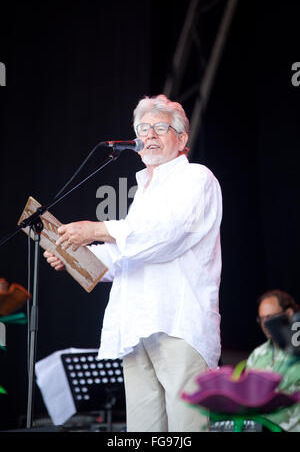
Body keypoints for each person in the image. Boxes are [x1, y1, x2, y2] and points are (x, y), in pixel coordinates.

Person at [44, 94, 223, 432]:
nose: (149, 135)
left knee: (186, 430)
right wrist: (72, 255)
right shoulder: (143, 192)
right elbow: (126, 258)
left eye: (160, 127)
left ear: (182, 139)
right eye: (143, 128)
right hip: (136, 330)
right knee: (141, 431)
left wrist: (96, 229)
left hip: (177, 326)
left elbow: (165, 236)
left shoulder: (196, 178)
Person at [246, 289, 300, 432]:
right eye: (262, 319)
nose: (265, 324)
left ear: (289, 314)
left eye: (270, 317)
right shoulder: (257, 355)